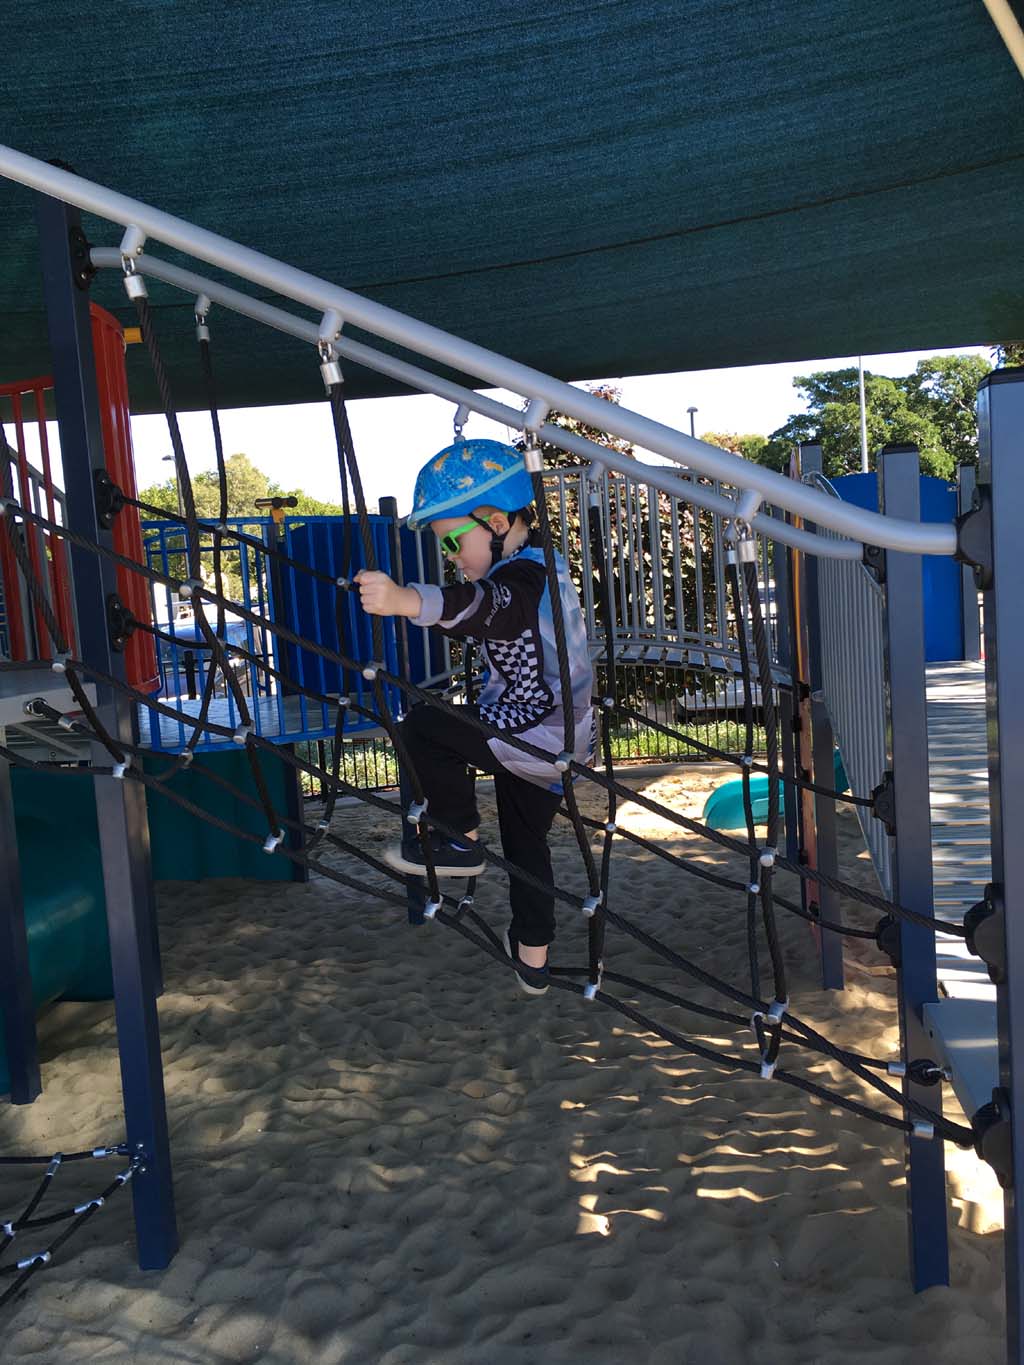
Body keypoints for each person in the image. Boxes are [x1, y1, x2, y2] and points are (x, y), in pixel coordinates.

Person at [355, 438, 595, 996]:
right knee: (525, 847)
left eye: (453, 541)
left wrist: (407, 602)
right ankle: (533, 959)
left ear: (496, 523)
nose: (453, 558)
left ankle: (458, 840)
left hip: (535, 730)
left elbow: (489, 607)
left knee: (423, 726)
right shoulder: (542, 566)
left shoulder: (526, 579)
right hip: (560, 739)